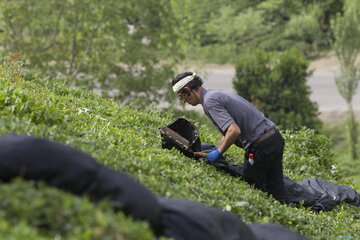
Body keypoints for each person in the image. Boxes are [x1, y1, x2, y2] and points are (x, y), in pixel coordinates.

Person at [171, 71, 288, 204]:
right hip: (274, 138)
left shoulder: (210, 102)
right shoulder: (215, 94)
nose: (183, 101)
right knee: (277, 188)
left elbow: (233, 130)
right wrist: (216, 148)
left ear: (188, 90)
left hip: (260, 146)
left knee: (252, 188)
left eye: (182, 96)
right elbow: (230, 131)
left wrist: (218, 153)